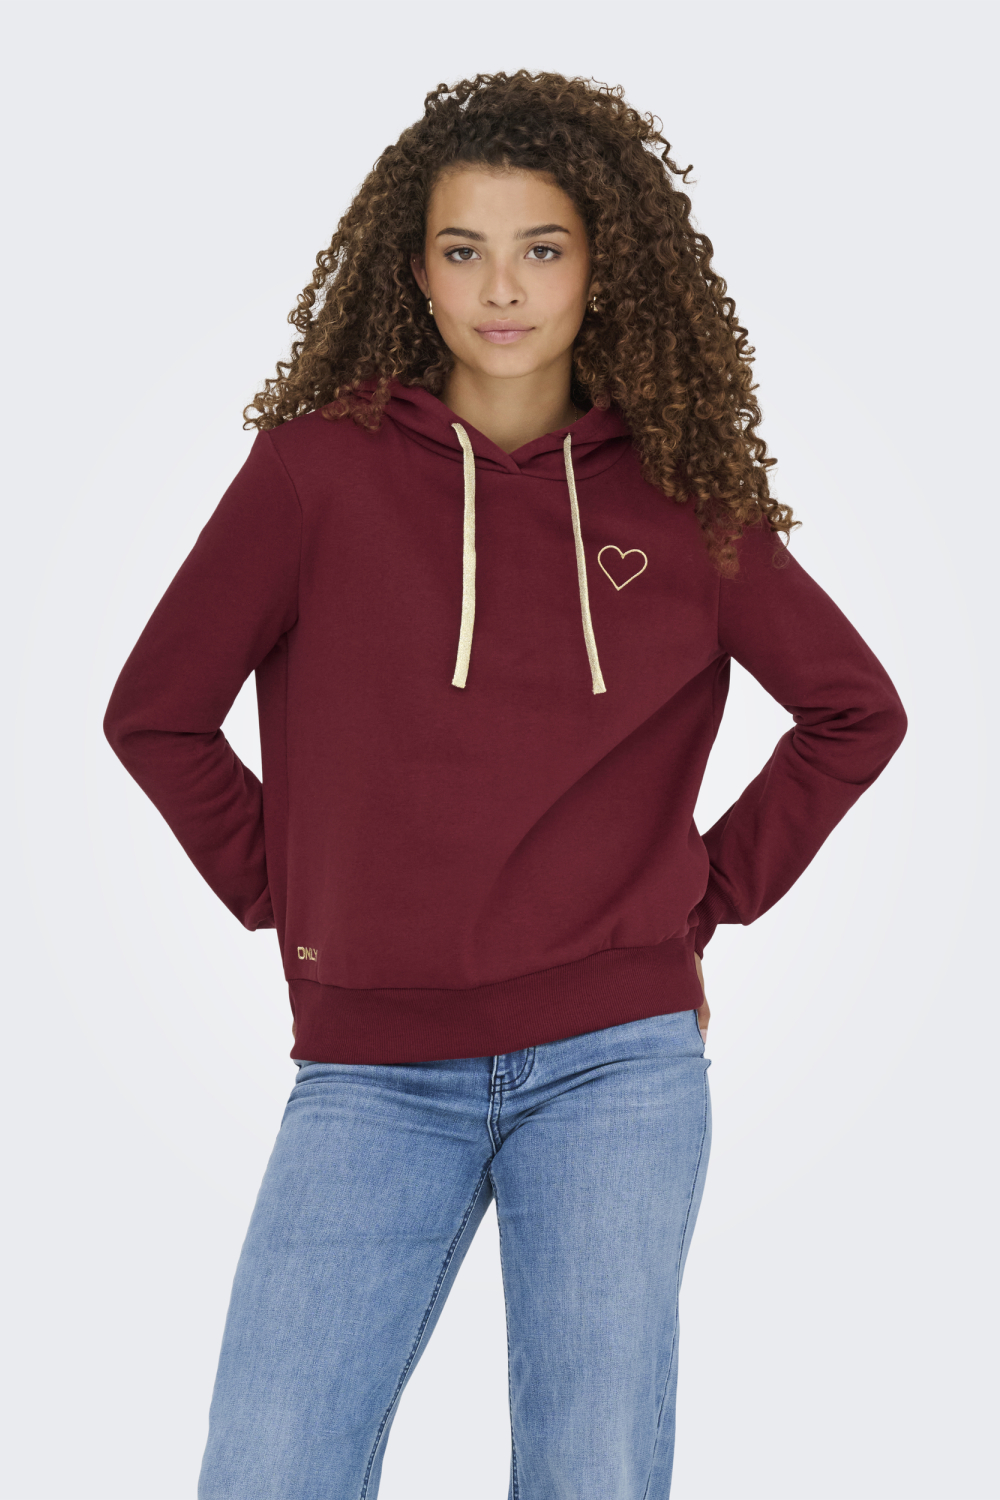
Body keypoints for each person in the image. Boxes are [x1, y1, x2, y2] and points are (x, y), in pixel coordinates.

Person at [103, 70, 907, 1500]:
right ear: (415, 271)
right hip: (369, 1072)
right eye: (463, 249)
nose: (503, 289)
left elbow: (856, 711)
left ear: (602, 267)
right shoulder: (314, 476)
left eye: (542, 248)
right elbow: (155, 714)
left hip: (617, 1064)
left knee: (590, 1473)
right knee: (267, 1467)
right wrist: (293, 890)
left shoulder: (684, 497)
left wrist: (698, 900)